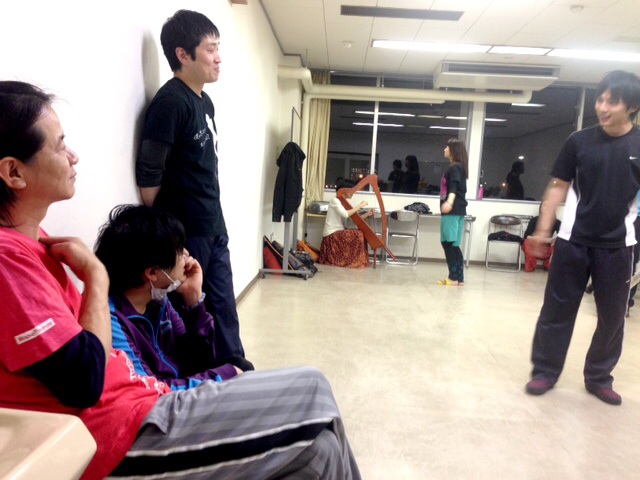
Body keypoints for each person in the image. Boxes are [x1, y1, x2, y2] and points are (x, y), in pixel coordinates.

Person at [0, 81, 361, 480]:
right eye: (59, 145)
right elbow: (85, 382)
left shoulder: (37, 245)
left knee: (321, 451)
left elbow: (194, 357)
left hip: (143, 403)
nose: (73, 156)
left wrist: (195, 305)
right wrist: (96, 278)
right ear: (14, 172)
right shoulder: (8, 258)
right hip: (121, 434)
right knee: (312, 387)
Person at [525, 70, 640, 406]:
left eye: (612, 102)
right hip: (573, 241)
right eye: (600, 99)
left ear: (632, 106)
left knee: (612, 317)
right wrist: (543, 230)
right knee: (556, 311)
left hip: (619, 246)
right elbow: (558, 186)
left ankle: (599, 377)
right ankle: (545, 371)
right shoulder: (578, 141)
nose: (603, 107)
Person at [135, 9, 245, 362]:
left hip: (213, 223)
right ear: (183, 54)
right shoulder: (170, 102)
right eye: (210, 49)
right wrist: (167, 228)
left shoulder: (204, 101)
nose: (218, 57)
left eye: (218, 48)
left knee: (224, 307)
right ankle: (203, 378)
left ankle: (236, 370)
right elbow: (149, 170)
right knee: (190, 310)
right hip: (186, 231)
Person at [94, 204, 254, 390]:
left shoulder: (157, 300)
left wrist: (194, 298)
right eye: (179, 250)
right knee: (236, 373)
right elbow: (148, 391)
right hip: (158, 399)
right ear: (152, 272)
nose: (186, 254)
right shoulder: (112, 320)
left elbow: (203, 356)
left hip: (172, 384)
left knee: (239, 365)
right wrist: (225, 375)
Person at [318, 178, 373, 268]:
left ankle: (355, 260)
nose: (353, 193)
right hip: (331, 234)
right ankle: (354, 261)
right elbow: (345, 214)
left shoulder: (343, 202)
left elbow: (353, 218)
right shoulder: (335, 200)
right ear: (344, 191)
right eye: (351, 190)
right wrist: (360, 205)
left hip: (338, 232)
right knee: (358, 234)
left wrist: (368, 214)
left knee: (360, 232)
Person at [437, 138, 468, 286]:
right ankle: (459, 279)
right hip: (459, 210)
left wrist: (449, 203)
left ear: (453, 150)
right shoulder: (459, 167)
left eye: (447, 147)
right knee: (454, 245)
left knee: (447, 243)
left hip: (452, 211)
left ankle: (453, 278)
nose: (444, 149)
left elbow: (453, 187)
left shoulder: (455, 167)